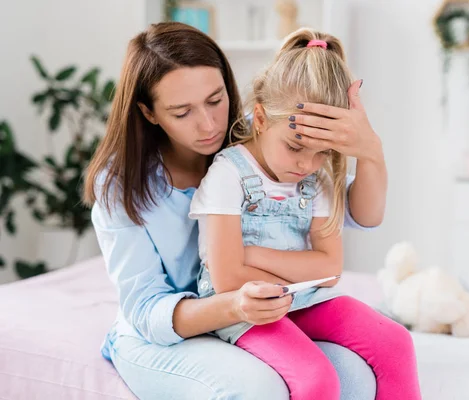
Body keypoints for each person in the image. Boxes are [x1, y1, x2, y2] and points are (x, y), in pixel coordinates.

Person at [84, 22, 390, 399]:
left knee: (356, 379)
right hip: (167, 333)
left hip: (254, 314)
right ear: (149, 112)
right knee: (259, 387)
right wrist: (233, 305)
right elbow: (148, 313)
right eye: (182, 112)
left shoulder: (256, 138)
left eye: (216, 100)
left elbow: (355, 213)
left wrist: (370, 152)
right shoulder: (121, 185)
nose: (210, 124)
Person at [188, 28, 421, 400]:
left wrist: (251, 254)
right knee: (317, 376)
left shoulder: (316, 180)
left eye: (323, 153)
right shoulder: (229, 175)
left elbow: (329, 271)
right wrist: (300, 266)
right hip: (243, 308)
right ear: (261, 119)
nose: (307, 164)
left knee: (394, 341)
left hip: (304, 298)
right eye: (296, 145)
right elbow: (229, 279)